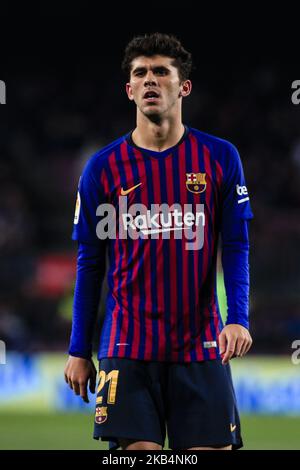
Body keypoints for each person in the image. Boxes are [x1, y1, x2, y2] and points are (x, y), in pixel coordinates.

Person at [64, 32, 253, 451]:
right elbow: (89, 262)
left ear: (183, 86)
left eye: (161, 71)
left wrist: (238, 317)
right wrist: (79, 348)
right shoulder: (102, 168)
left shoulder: (220, 158)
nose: (150, 79)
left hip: (202, 345)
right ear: (129, 89)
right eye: (140, 73)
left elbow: (237, 245)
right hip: (126, 346)